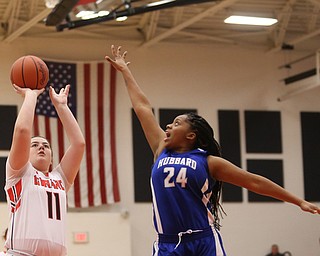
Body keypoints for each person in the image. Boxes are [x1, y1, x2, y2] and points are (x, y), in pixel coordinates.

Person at [105, 45, 320, 256]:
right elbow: (143, 107)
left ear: (191, 135)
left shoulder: (208, 162)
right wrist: (126, 72)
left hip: (203, 241)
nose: (169, 126)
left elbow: (253, 181)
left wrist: (297, 201)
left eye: (176, 123)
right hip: (167, 243)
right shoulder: (161, 148)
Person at [4, 84, 85, 256]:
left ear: (52, 158)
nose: (41, 147)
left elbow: (79, 144)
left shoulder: (60, 178)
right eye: (34, 145)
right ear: (26, 152)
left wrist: (61, 107)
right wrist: (31, 95)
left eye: (46, 146)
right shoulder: (19, 173)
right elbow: (22, 130)